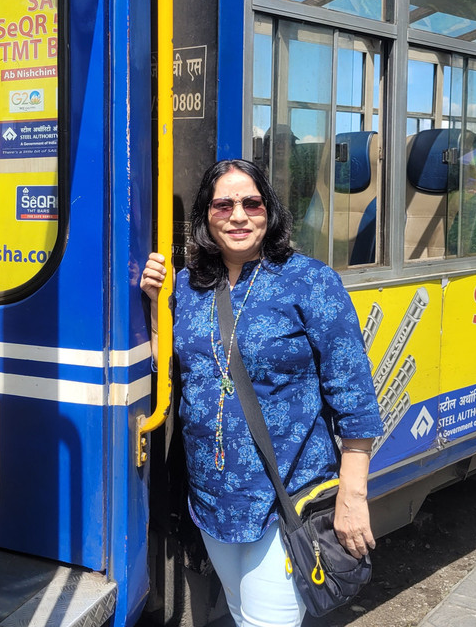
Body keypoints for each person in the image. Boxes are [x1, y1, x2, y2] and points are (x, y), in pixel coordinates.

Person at [140, 158, 383, 627]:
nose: (238, 215)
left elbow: (354, 397)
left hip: (284, 497)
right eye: (223, 204)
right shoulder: (188, 286)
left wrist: (353, 496)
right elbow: (174, 370)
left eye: (251, 203)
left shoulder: (309, 281)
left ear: (269, 212)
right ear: (205, 216)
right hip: (212, 501)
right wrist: (156, 307)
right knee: (239, 610)